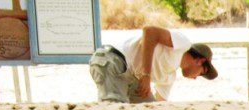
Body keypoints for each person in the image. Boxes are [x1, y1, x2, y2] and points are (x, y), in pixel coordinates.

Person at [89, 26, 218, 103]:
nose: (195, 77)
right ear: (200, 61)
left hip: (130, 76)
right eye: (201, 73)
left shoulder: (169, 77)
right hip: (113, 59)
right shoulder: (183, 44)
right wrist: (146, 75)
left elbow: (160, 106)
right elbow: (149, 31)